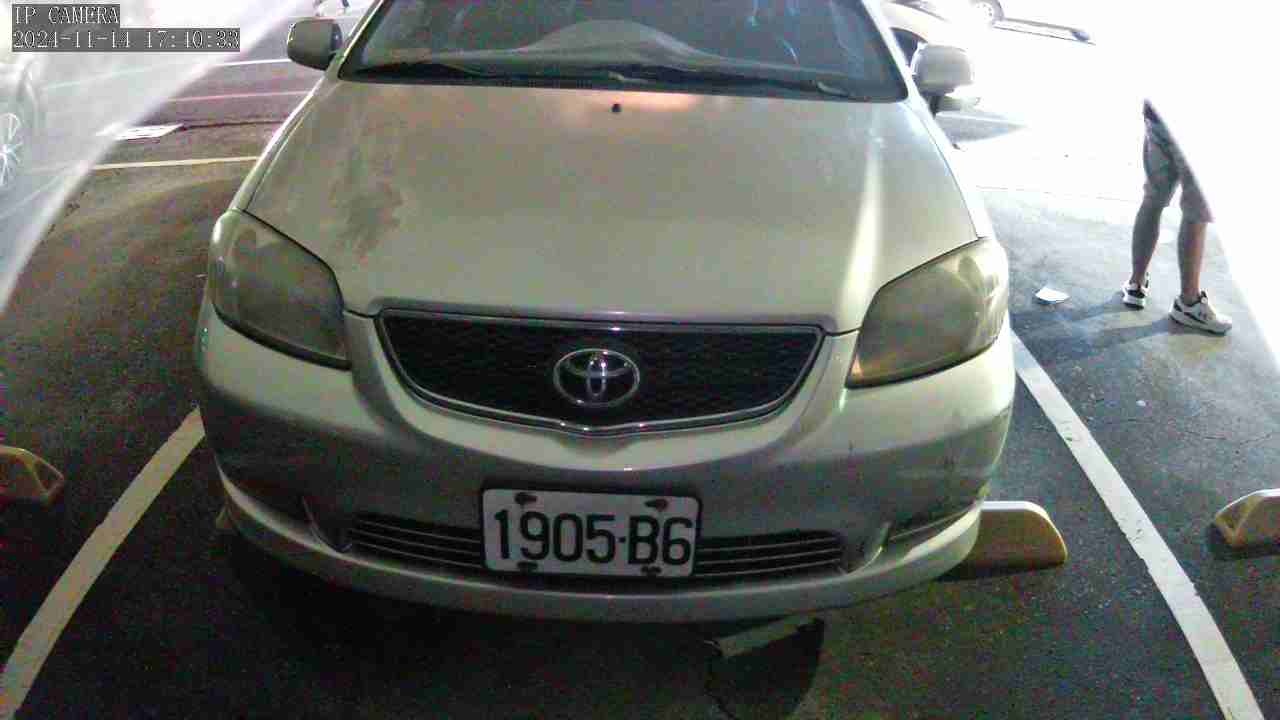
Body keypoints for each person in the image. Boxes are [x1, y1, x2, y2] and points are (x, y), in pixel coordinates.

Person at [1122, 101, 1232, 334]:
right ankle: (1189, 303)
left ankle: (1136, 284)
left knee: (1153, 199)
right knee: (1196, 214)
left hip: (1158, 118)